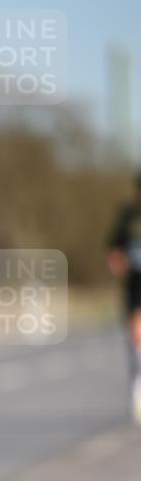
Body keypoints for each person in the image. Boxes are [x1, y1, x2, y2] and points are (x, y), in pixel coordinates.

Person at [107, 171, 141, 425]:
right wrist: (118, 263)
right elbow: (113, 251)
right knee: (136, 337)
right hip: (135, 284)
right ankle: (136, 390)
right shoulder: (127, 217)